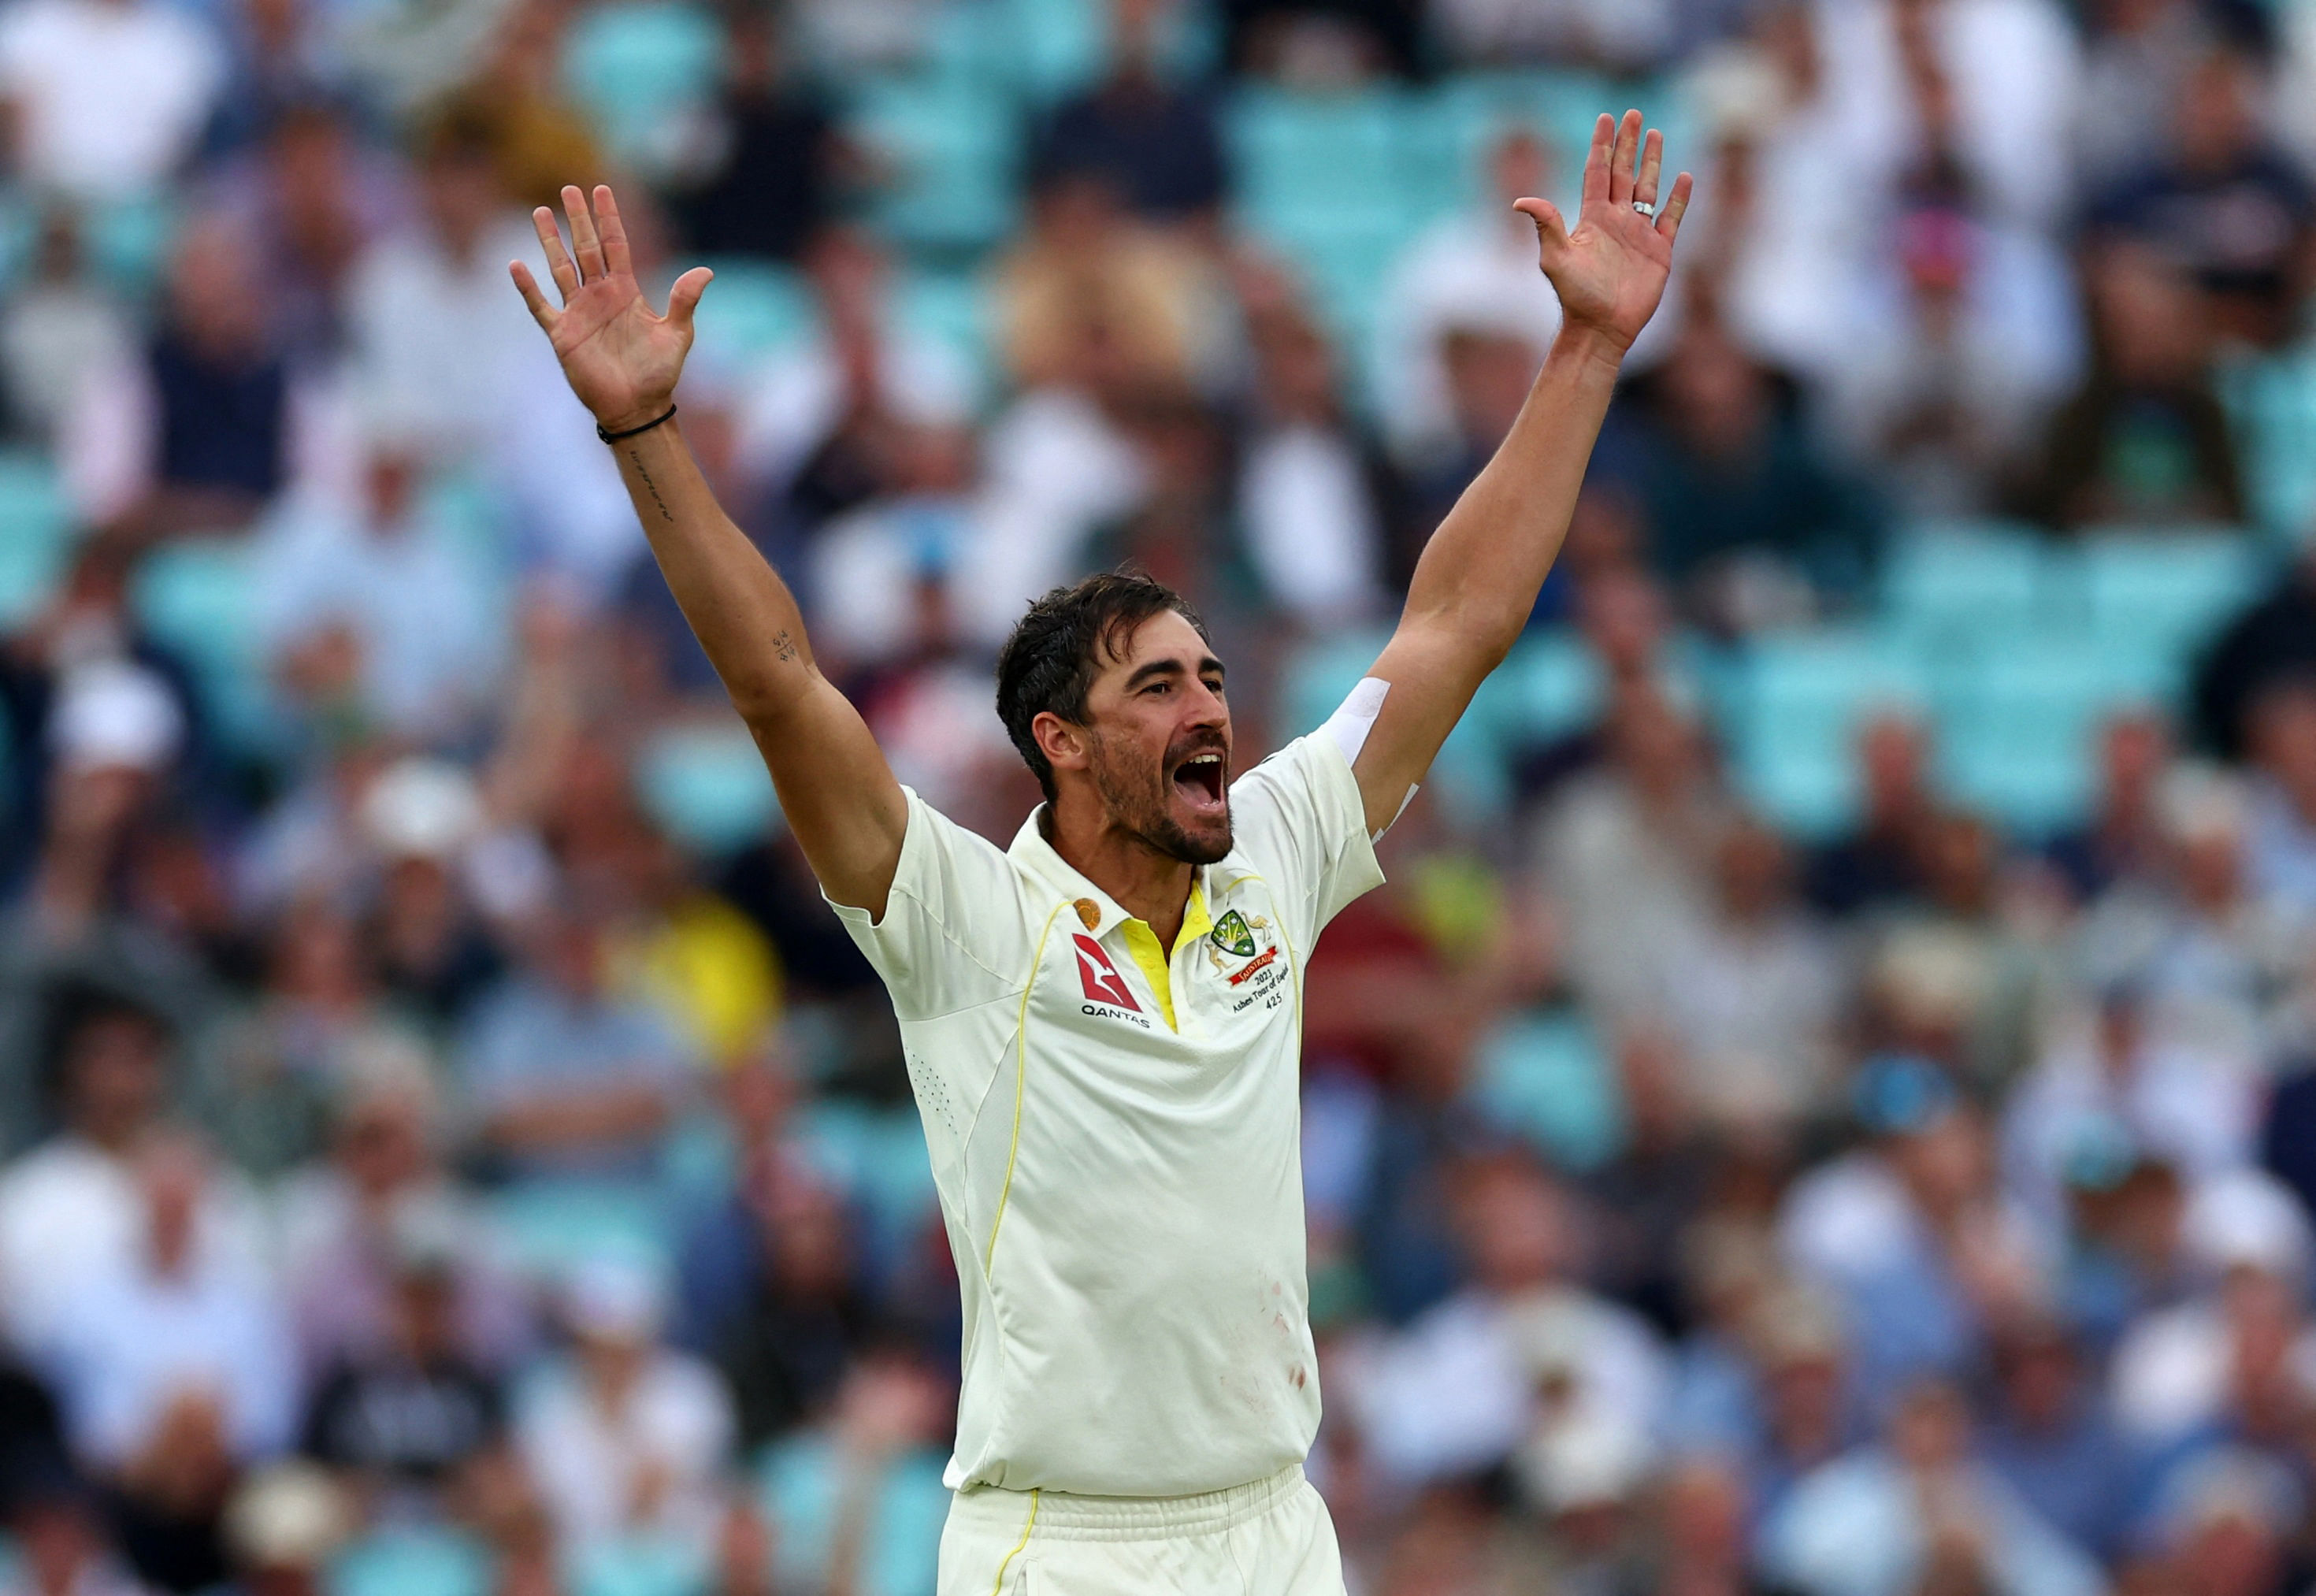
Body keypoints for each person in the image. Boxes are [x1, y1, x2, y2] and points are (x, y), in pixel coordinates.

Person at [507, 108, 1693, 1595]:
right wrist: (645, 430)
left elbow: (1456, 622)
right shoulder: (961, 918)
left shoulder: (1276, 844)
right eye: (1158, 685)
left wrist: (1585, 349)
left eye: (1210, 673)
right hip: (1062, 1546)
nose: (1211, 705)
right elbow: (780, 681)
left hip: (1273, 1525)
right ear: (1059, 742)